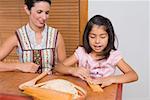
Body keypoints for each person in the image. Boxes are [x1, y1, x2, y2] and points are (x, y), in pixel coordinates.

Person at [54, 15, 138, 88]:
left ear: (109, 37)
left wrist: (110, 79)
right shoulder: (81, 53)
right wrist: (72, 70)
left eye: (102, 37)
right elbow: (57, 67)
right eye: (93, 36)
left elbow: (133, 75)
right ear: (87, 37)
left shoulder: (113, 56)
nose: (97, 41)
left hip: (105, 94)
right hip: (84, 92)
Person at [0, 0, 66, 74]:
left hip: (49, 84)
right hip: (25, 84)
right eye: (39, 12)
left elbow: (64, 66)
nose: (44, 17)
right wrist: (19, 66)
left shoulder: (56, 35)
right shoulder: (18, 36)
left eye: (47, 13)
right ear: (27, 10)